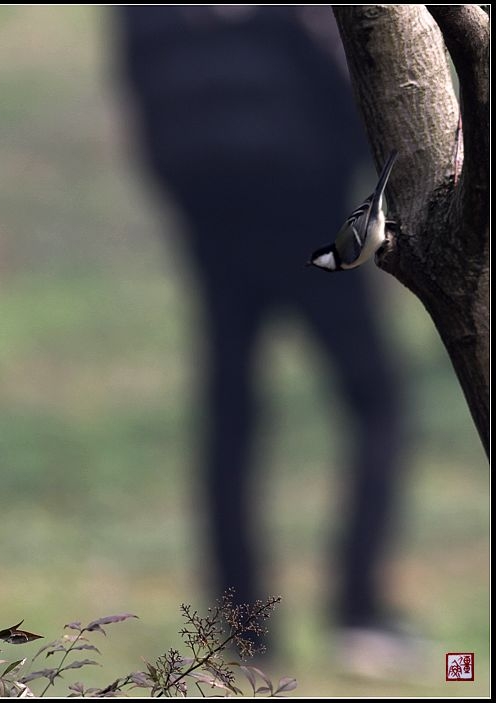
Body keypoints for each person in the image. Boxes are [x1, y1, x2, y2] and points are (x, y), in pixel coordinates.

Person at [116, 6, 408, 665]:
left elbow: (142, 103)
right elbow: (351, 84)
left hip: (214, 225)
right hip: (311, 216)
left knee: (231, 424)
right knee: (377, 403)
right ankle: (360, 613)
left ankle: (246, 634)